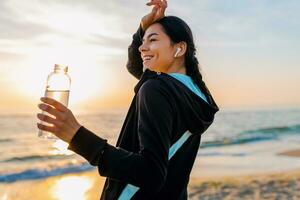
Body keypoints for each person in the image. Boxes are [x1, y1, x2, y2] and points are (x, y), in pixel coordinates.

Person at [37, 0, 219, 199]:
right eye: (143, 42)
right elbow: (136, 67)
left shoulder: (156, 88)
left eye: (153, 40)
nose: (142, 48)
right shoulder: (198, 94)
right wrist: (143, 28)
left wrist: (77, 136)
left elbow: (151, 174)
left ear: (179, 48)